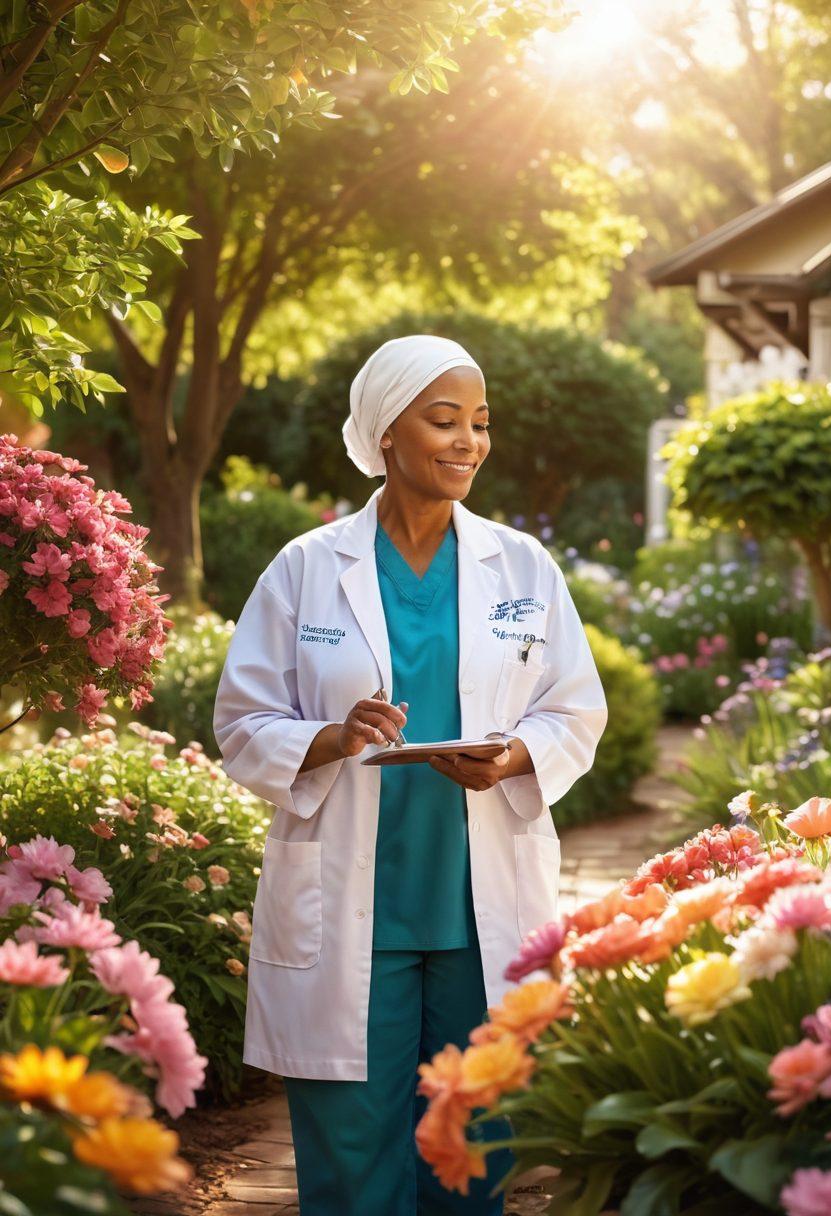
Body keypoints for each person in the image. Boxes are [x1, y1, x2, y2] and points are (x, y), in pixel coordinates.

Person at [213, 334, 608, 1215]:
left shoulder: (524, 567)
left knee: (474, 1155)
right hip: (355, 914)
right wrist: (330, 736)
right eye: (444, 421)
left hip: (481, 907)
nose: (469, 440)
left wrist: (511, 755)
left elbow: (575, 709)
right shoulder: (307, 571)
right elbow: (242, 724)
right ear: (387, 433)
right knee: (354, 1163)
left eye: (480, 422)